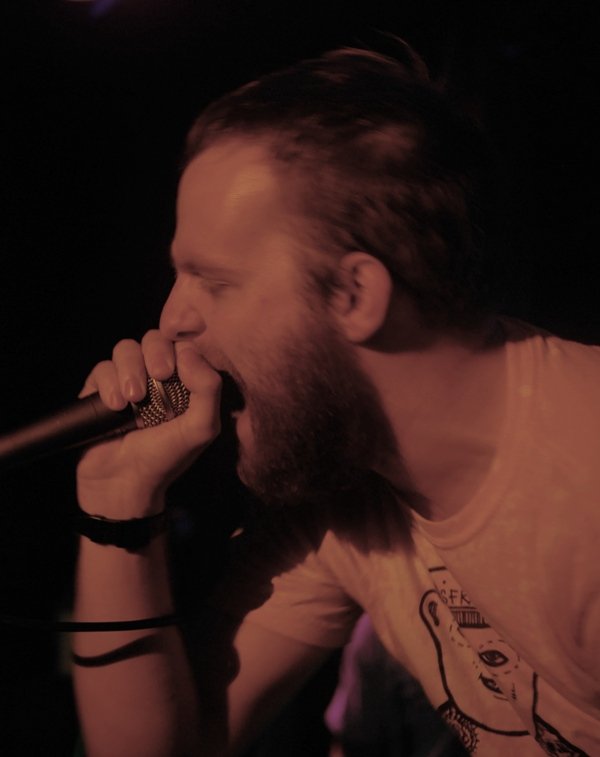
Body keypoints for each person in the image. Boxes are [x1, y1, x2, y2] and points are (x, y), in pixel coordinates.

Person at [71, 44, 600, 756]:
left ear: (354, 294)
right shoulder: (347, 493)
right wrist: (116, 497)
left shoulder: (583, 489)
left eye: (213, 282)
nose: (171, 322)